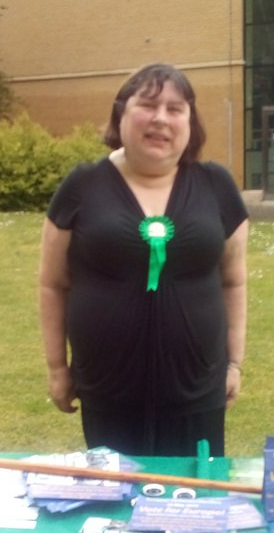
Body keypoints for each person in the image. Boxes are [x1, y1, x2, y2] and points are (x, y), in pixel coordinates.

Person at [38, 63, 248, 457]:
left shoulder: (217, 187)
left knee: (192, 499)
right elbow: (53, 283)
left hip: (197, 388)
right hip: (108, 387)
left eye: (175, 108)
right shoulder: (82, 186)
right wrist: (57, 368)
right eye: (148, 105)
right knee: (116, 503)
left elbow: (233, 281)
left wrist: (234, 363)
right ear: (121, 113)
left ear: (190, 121)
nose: (160, 118)